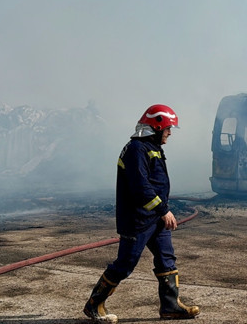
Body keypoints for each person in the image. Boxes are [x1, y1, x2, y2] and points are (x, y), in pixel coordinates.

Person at [83, 104, 200, 322]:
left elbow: (154, 184)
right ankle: (94, 305)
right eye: (168, 129)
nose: (170, 134)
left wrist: (161, 211)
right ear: (157, 126)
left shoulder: (151, 147)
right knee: (125, 264)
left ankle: (170, 307)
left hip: (154, 218)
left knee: (167, 259)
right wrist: (164, 210)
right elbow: (140, 186)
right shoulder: (137, 149)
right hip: (137, 220)